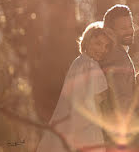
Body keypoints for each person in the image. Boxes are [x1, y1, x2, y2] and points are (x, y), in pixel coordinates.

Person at [36, 22, 115, 152]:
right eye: (98, 43)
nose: (102, 50)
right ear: (87, 41)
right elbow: (99, 99)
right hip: (86, 127)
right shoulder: (90, 65)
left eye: (106, 46)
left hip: (69, 123)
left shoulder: (78, 62)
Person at [99, 4, 139, 150]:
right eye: (123, 28)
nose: (130, 30)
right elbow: (120, 101)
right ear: (110, 32)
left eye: (130, 25)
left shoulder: (115, 53)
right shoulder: (115, 57)